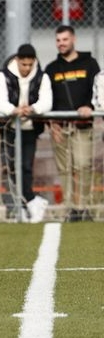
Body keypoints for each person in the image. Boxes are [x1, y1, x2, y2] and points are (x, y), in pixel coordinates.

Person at [44, 25, 100, 222]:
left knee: (83, 165)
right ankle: (70, 208)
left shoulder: (90, 64)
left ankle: (83, 206)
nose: (61, 43)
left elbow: (98, 90)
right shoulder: (51, 69)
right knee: (64, 168)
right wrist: (50, 123)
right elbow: (45, 98)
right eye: (58, 40)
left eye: (65, 39)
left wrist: (90, 108)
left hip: (82, 126)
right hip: (60, 128)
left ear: (73, 39)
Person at [0, 44, 52, 223]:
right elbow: (0, 102)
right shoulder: (4, 76)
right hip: (10, 128)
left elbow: (47, 102)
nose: (26, 68)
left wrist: (32, 109)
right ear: (17, 60)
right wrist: (14, 110)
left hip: (30, 129)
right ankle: (32, 201)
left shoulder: (42, 77)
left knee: (26, 167)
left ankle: (29, 204)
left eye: (29, 64)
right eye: (23, 64)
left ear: (34, 62)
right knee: (11, 167)